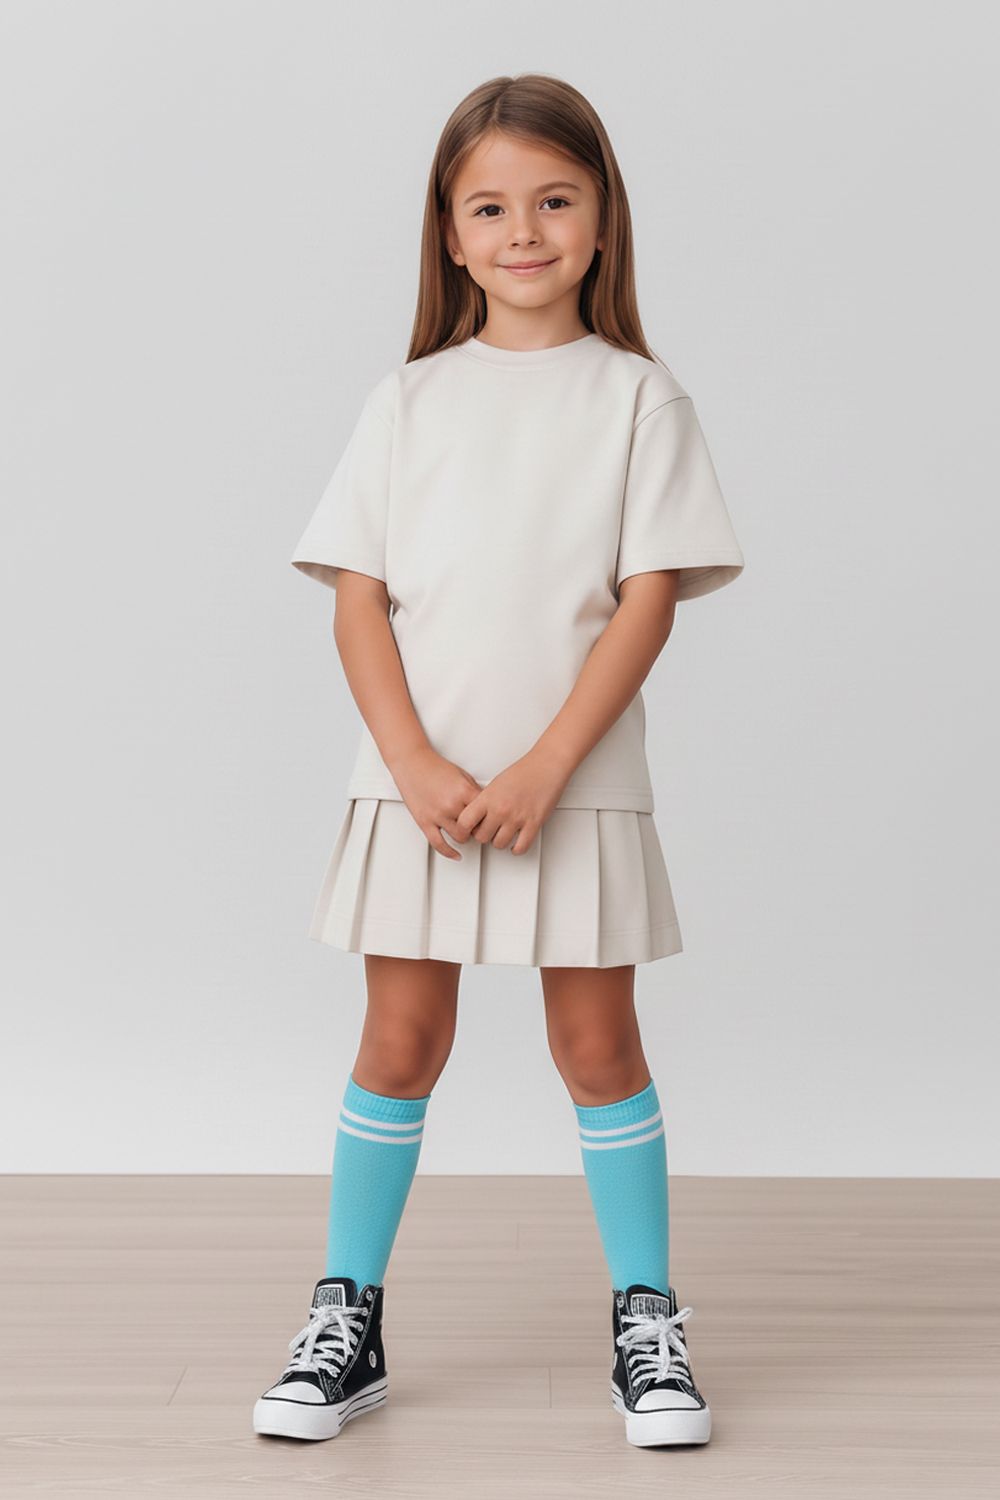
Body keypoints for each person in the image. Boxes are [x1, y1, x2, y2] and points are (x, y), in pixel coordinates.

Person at [253, 72, 745, 1451]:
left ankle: (647, 1318)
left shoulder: (640, 399)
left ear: (602, 220)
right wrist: (413, 761)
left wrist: (545, 767)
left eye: (553, 200)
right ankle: (347, 1318)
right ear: (450, 233)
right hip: (417, 795)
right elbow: (358, 597)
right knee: (399, 1043)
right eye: (489, 207)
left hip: (573, 788)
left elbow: (647, 600)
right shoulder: (406, 401)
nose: (523, 230)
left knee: (599, 1046)